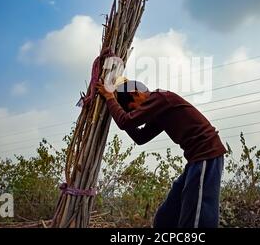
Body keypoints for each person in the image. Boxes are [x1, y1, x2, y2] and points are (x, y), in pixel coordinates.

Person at [96, 78, 227, 228]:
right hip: (195, 160)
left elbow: (126, 121)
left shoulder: (160, 98)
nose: (136, 113)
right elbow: (141, 137)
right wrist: (117, 111)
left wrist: (110, 98)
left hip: (207, 154)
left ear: (135, 93)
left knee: (197, 221)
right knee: (166, 217)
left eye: (133, 108)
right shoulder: (159, 108)